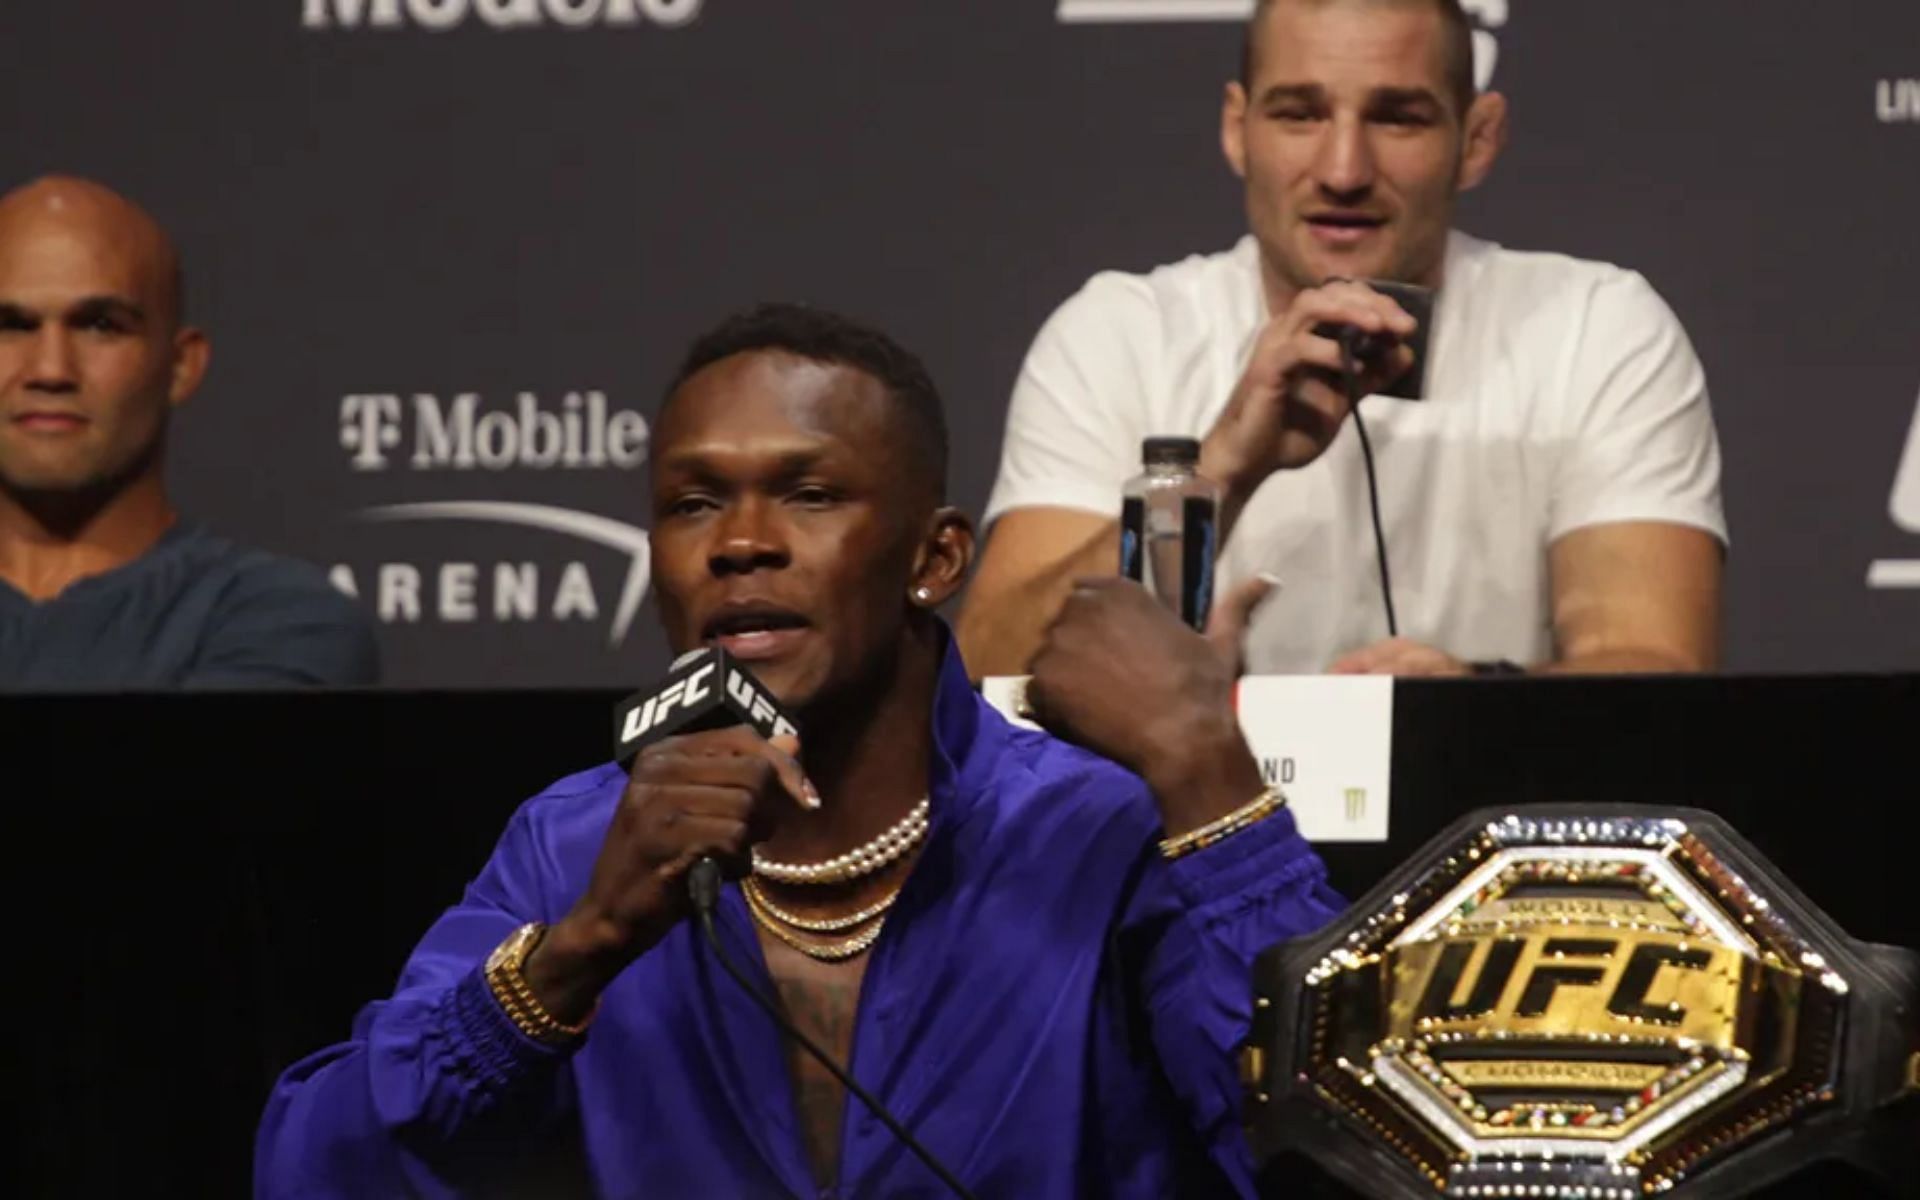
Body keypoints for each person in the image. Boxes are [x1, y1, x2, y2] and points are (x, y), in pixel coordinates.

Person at [255, 303, 1342, 1198]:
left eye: (810, 494)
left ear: (936, 556)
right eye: (693, 505)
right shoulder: (577, 843)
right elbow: (316, 1171)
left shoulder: (1097, 830)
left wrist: (1207, 775)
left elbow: (1334, 1157)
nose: (740, 543)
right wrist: (574, 953)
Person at [960, 0, 1726, 680]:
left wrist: (1470, 703)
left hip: (1480, 816)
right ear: (1238, 129)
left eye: (1398, 117)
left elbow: (1657, 674)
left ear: (1478, 139)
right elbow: (987, 671)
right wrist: (1221, 468)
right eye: (1300, 113)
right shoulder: (1119, 334)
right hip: (1174, 828)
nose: (1343, 169)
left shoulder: (1594, 327)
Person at [0, 175, 378, 688]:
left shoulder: (279, 621)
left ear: (181, 366)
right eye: (10, 326)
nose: (50, 369)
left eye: (100, 326)